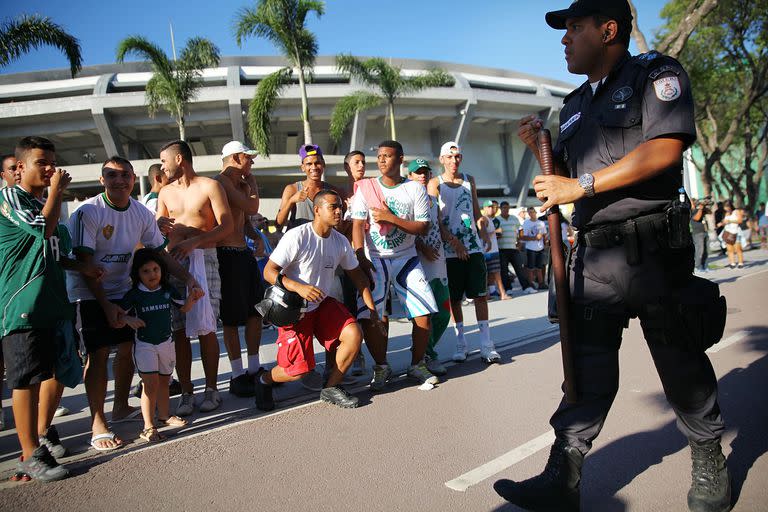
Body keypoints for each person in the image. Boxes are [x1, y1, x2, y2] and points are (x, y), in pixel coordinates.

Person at [494, 3, 731, 512]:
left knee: (679, 358)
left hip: (650, 250)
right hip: (595, 256)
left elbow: (664, 149)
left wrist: (576, 185)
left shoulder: (656, 73)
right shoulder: (576, 102)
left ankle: (709, 457)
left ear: (608, 30)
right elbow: (566, 177)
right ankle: (563, 478)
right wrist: (542, 147)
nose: (565, 40)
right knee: (585, 369)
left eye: (574, 28)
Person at [69, 155, 200, 451]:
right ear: (102, 180)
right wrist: (106, 307)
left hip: (124, 289)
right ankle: (98, 422)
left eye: (125, 175)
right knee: (99, 355)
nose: (119, 180)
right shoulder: (89, 211)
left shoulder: (140, 213)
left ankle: (119, 408)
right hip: (90, 293)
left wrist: (189, 278)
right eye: (111, 175)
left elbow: (160, 254)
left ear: (132, 179)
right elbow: (86, 264)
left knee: (128, 350)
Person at [256, 190, 381, 410]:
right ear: (317, 210)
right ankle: (264, 381)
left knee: (353, 334)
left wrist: (372, 311)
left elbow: (359, 277)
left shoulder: (340, 241)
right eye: (333, 207)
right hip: (293, 308)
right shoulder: (298, 236)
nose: (339, 211)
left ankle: (331, 387)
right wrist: (298, 287)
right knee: (297, 372)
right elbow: (268, 271)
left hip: (321, 304)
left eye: (340, 207)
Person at [0, 137, 71, 481]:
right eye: (41, 162)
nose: (49, 169)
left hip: (49, 304)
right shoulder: (12, 196)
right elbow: (42, 228)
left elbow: (60, 249)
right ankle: (29, 453)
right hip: (21, 303)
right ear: (20, 167)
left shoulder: (43, 201)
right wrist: (56, 190)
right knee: (25, 378)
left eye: (52, 163)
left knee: (48, 373)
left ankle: (37, 444)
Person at [351, 140, 440, 390]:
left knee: (422, 312)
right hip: (375, 258)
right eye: (379, 156)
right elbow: (358, 225)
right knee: (374, 315)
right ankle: (381, 366)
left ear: (400, 160)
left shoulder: (414, 189)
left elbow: (423, 226)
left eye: (387, 156)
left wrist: (390, 217)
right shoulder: (366, 188)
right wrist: (360, 257)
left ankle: (417, 364)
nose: (381, 160)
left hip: (406, 257)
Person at [156, 140, 233, 415]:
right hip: (173, 263)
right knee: (179, 331)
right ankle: (186, 392)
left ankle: (211, 389)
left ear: (179, 159)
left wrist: (195, 242)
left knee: (207, 328)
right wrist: (158, 226)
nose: (162, 167)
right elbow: (158, 229)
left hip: (205, 258)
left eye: (164, 161)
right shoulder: (164, 192)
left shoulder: (210, 186)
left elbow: (227, 225)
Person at [428, 141, 500, 364]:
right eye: (449, 157)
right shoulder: (434, 183)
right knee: (456, 300)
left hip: (473, 248)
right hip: (449, 253)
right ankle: (462, 343)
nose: (454, 161)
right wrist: (453, 241)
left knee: (480, 295)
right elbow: (435, 219)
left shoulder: (470, 180)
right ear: (441, 159)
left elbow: (476, 210)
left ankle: (487, 345)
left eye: (457, 156)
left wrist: (484, 230)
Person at [122, 249, 197, 443]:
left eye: (156, 269)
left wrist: (192, 299)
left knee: (165, 381)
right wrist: (128, 319)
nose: (152, 274)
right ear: (137, 274)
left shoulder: (167, 290)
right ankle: (148, 426)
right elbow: (118, 316)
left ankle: (164, 416)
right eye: (146, 271)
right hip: (145, 344)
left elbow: (183, 307)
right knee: (150, 384)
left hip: (167, 342)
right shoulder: (134, 294)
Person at [213, 141, 264, 397]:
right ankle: (236, 374)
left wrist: (254, 235)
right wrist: (253, 185)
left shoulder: (238, 184)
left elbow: (243, 220)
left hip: (242, 253)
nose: (251, 163)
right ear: (235, 158)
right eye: (249, 158)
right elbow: (252, 208)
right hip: (225, 255)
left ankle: (254, 368)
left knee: (256, 311)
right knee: (232, 318)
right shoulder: (221, 183)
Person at [408, 158, 451, 376]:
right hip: (417, 263)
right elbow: (403, 230)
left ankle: (424, 348)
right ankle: (427, 354)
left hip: (438, 261)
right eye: (417, 173)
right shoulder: (406, 199)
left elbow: (440, 226)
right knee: (424, 312)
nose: (422, 176)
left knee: (444, 312)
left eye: (425, 172)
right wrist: (421, 246)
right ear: (410, 176)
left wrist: (455, 241)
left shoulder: (433, 199)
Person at [275, 144, 340, 230]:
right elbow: (278, 224)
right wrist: (291, 201)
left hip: (323, 241)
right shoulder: (292, 189)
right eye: (309, 164)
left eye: (317, 163)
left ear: (323, 165)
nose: (314, 167)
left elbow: (338, 226)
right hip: (299, 241)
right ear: (303, 167)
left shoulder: (332, 191)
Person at [497, 201, 533, 294]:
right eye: (504, 207)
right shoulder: (496, 220)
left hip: (514, 248)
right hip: (502, 249)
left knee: (520, 269)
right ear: (500, 209)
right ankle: (508, 289)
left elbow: (520, 230)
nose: (506, 209)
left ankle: (526, 287)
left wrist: (520, 242)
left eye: (507, 207)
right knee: (504, 271)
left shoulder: (514, 218)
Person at [482, 200, 511, 300]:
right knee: (495, 274)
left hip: (492, 249)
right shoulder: (484, 219)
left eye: (492, 207)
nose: (491, 209)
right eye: (489, 207)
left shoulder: (490, 219)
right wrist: (495, 231)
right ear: (484, 208)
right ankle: (502, 293)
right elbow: (481, 234)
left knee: (491, 274)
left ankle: (489, 293)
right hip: (487, 250)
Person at [520, 206, 548, 292]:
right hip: (530, 247)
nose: (532, 214)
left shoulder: (541, 223)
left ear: (536, 213)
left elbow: (544, 235)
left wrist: (545, 244)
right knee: (530, 267)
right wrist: (534, 238)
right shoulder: (526, 223)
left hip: (540, 247)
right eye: (530, 212)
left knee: (540, 267)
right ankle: (531, 283)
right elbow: (522, 236)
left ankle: (541, 283)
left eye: (533, 212)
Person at [717, 201, 744, 269]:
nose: (726, 209)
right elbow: (724, 222)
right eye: (725, 208)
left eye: (727, 207)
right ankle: (732, 263)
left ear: (730, 206)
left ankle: (740, 263)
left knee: (738, 248)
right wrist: (721, 223)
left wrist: (730, 221)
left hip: (736, 232)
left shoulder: (736, 211)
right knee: (729, 249)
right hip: (728, 232)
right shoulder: (726, 213)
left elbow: (740, 220)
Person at [691, 197, 710, 273]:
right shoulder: (691, 211)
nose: (695, 203)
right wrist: (701, 209)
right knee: (700, 250)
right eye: (693, 202)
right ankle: (697, 267)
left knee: (706, 250)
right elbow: (697, 218)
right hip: (697, 233)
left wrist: (705, 206)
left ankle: (704, 266)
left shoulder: (700, 210)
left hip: (705, 231)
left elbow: (710, 212)